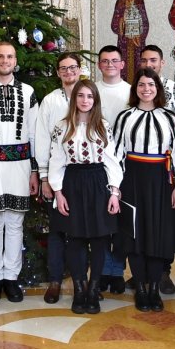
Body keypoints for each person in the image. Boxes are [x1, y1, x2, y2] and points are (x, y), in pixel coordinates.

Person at [49, 80, 122, 314]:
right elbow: (56, 161)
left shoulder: (102, 125)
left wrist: (114, 192)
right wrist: (58, 193)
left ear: (95, 100)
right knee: (76, 239)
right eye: (80, 96)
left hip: (98, 182)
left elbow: (112, 160)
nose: (84, 100)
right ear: (74, 99)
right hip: (73, 182)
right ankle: (79, 289)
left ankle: (93, 289)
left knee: (100, 239)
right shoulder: (62, 126)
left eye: (89, 96)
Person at [113, 69, 175, 311]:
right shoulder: (125, 117)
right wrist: (115, 188)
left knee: (158, 234)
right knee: (135, 234)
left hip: (162, 181)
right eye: (141, 85)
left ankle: (154, 287)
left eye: (151, 84)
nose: (146, 89)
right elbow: (117, 154)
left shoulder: (170, 117)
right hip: (132, 180)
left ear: (158, 88)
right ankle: (140, 287)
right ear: (135, 89)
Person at [0, 41, 39, 303]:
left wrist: (35, 171)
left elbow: (34, 131)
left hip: (19, 164)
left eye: (10, 57)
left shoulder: (28, 92)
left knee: (15, 223)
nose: (5, 61)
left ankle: (11, 277)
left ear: (16, 61)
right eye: (0, 56)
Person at [35, 52, 82, 303]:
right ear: (57, 73)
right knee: (56, 230)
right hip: (56, 175)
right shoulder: (51, 101)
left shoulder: (89, 95)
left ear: (80, 69)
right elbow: (42, 138)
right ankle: (54, 280)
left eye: (72, 67)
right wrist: (44, 177)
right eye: (63, 69)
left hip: (84, 177)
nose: (68, 72)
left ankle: (79, 281)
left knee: (79, 232)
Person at [94, 45, 131, 293]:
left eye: (114, 60)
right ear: (99, 65)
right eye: (105, 61)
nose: (109, 64)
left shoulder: (130, 91)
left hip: (125, 163)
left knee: (121, 223)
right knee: (102, 220)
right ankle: (102, 270)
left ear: (122, 64)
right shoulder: (91, 90)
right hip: (96, 164)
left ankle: (117, 270)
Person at [140, 45, 175, 116]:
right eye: (144, 61)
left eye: (153, 60)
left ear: (162, 63)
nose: (148, 65)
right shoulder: (136, 88)